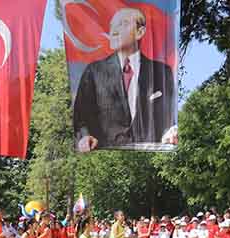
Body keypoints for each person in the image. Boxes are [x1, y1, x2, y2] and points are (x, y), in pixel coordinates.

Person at [73, 7, 176, 152]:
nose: (114, 31)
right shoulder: (94, 71)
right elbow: (80, 117)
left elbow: (169, 117)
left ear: (140, 32)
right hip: (103, 158)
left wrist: (170, 132)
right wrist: (85, 136)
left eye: (123, 24)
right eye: (112, 26)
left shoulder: (162, 73)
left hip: (149, 159)